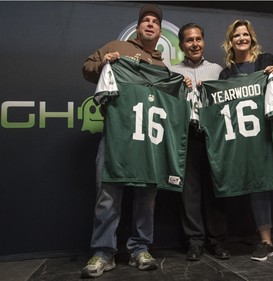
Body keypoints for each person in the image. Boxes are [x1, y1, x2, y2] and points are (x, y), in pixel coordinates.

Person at [81, 4, 164, 278]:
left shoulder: (161, 65)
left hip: (148, 138)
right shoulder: (117, 46)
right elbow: (87, 68)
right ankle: (104, 252)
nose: (150, 24)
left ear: (160, 31)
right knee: (108, 193)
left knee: (146, 194)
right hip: (117, 133)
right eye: (145, 21)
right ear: (138, 27)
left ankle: (139, 248)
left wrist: (182, 86)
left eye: (155, 21)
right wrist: (105, 62)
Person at [219, 19, 273, 265]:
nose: (241, 38)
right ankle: (266, 241)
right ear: (230, 41)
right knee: (258, 186)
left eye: (245, 34)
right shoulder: (227, 73)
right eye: (236, 35)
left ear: (251, 38)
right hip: (249, 136)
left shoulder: (266, 59)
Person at [170, 23, 230, 261]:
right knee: (189, 192)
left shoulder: (218, 70)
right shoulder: (171, 70)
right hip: (187, 137)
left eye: (198, 39)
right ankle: (194, 242)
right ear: (181, 45)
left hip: (214, 137)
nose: (194, 44)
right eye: (189, 40)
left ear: (203, 42)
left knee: (216, 190)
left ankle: (218, 241)